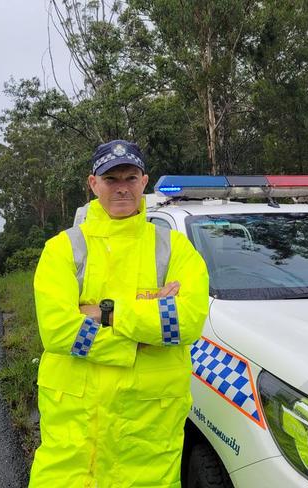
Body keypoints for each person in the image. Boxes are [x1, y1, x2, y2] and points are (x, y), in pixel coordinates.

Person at [29, 139, 209, 487]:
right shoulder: (62, 249)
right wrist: (142, 336)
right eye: (111, 179)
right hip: (75, 445)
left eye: (130, 177)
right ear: (93, 184)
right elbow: (59, 333)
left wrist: (105, 314)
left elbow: (183, 325)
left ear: (144, 182)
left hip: (146, 441)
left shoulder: (175, 248)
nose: (122, 188)